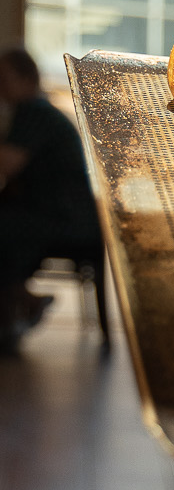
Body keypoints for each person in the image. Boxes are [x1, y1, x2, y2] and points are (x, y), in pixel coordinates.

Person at [0, 48, 97, 354]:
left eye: (4, 79)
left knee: (5, 225)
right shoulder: (35, 111)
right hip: (67, 214)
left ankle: (16, 308)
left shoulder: (34, 112)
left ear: (27, 78)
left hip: (68, 219)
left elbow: (7, 166)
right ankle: (22, 301)